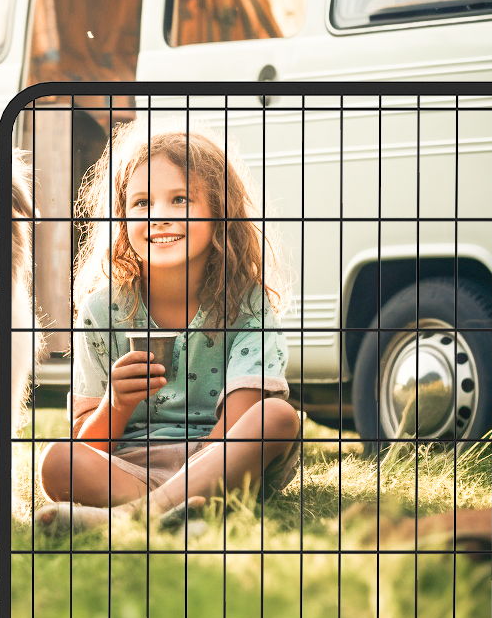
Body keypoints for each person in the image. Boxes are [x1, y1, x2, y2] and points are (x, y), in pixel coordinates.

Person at [36, 127, 301, 532]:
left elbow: (240, 423)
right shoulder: (101, 310)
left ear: (220, 213)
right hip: (134, 466)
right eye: (142, 202)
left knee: (277, 416)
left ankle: (132, 517)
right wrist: (118, 403)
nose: (159, 215)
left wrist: (204, 470)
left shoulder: (246, 305)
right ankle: (182, 511)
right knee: (58, 460)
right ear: (122, 218)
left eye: (180, 199)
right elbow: (87, 446)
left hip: (225, 457)